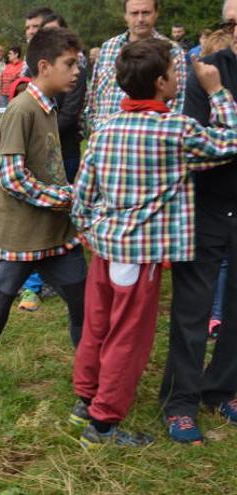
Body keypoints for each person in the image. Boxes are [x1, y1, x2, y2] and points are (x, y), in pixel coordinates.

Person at [71, 38, 237, 448]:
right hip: (140, 256)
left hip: (105, 251)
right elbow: (230, 141)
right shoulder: (175, 130)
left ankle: (85, 398)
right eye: (176, 73)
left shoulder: (106, 128)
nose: (181, 78)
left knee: (97, 327)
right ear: (161, 82)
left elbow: (82, 198)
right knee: (128, 337)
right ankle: (104, 423)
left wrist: (95, 232)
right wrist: (217, 92)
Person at [0, 27, 86, 374]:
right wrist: (67, 198)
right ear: (45, 66)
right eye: (69, 63)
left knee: (85, 304)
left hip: (57, 236)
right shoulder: (21, 110)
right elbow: (12, 177)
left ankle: (91, 377)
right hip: (20, 237)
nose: (77, 71)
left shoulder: (48, 107)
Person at [158, 0, 237, 445]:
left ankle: (222, 388)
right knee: (192, 310)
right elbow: (197, 146)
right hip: (206, 208)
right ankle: (180, 400)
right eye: (231, 23)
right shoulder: (208, 71)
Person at [85, 0, 187, 133]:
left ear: (156, 14)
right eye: (134, 13)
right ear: (125, 16)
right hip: (106, 137)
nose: (140, 19)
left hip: (150, 139)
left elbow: (178, 101)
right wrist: (96, 128)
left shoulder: (171, 51)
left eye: (146, 13)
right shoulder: (108, 47)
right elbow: (94, 97)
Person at [41, 13, 88, 183]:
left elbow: (69, 114)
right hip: (38, 153)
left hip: (65, 151)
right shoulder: (34, 70)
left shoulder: (77, 72)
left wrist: (39, 133)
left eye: (55, 31)